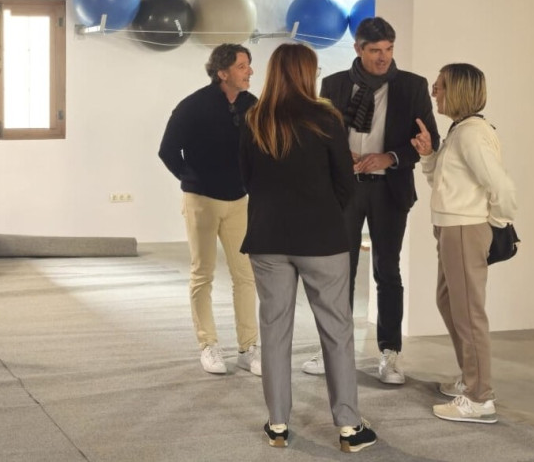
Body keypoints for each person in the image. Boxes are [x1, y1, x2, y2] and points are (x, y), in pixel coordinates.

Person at [240, 43, 377, 453]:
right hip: (322, 239)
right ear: (306, 73)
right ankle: (349, 428)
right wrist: (326, 211)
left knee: (274, 330)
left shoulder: (254, 118)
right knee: (336, 331)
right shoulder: (326, 117)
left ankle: (278, 425)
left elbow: (247, 179)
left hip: (268, 238)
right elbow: (345, 182)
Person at [309, 17, 439, 384]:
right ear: (358, 49)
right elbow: (321, 138)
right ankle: (334, 349)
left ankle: (390, 353)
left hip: (389, 189)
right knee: (340, 271)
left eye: (389, 49)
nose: (384, 57)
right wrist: (341, 155)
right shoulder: (334, 85)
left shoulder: (412, 86)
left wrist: (390, 157)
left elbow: (429, 140)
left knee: (388, 270)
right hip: (345, 189)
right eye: (375, 50)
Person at [410, 64, 516, 424]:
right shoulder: (460, 130)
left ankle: (479, 397)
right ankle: (471, 379)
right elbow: (444, 183)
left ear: (457, 90)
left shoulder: (472, 134)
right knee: (449, 302)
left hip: (464, 229)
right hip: (451, 228)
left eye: (439, 86)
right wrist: (429, 154)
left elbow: (503, 188)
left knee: (469, 313)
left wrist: (496, 224)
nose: (434, 92)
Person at [158, 43, 260, 377]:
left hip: (239, 202)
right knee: (203, 273)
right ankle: (208, 344)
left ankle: (248, 348)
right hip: (201, 201)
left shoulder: (252, 105)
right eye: (242, 66)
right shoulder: (192, 106)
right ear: (223, 72)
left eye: (248, 65)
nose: (250, 71)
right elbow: (168, 151)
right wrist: (192, 179)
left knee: (245, 275)